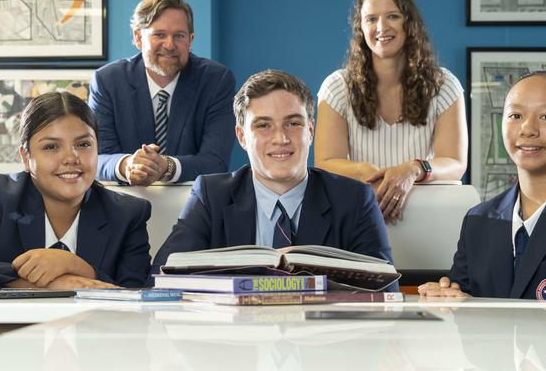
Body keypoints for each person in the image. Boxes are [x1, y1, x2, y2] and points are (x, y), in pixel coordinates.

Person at [151, 69, 393, 276]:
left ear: (310, 130)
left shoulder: (354, 200)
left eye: (293, 123)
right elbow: (163, 275)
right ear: (242, 136)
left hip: (324, 329)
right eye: (263, 125)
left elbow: (384, 291)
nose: (281, 138)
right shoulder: (210, 196)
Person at [418, 70, 546, 302]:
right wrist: (447, 298)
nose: (528, 129)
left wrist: (476, 307)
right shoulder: (478, 220)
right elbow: (465, 318)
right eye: (515, 115)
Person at [0, 92, 151, 289]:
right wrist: (42, 284)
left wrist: (76, 266)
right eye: (51, 146)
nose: (71, 158)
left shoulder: (128, 214)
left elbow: (135, 295)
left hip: (94, 321)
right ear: (26, 157)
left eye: (83, 144)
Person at [315, 0, 467, 222]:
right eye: (371, 19)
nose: (381, 27)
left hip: (427, 217)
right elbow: (325, 163)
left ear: (410, 24)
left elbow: (455, 163)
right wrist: (370, 174)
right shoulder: (336, 87)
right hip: (355, 215)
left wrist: (412, 169)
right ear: (361, 29)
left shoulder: (444, 85)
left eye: (393, 16)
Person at [89, 0, 235, 185]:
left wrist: (167, 167)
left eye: (179, 36)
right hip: (123, 201)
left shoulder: (216, 80)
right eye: (159, 34)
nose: (170, 44)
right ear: (138, 38)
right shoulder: (108, 81)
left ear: (190, 39)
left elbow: (215, 162)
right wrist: (127, 164)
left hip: (194, 203)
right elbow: (96, 157)